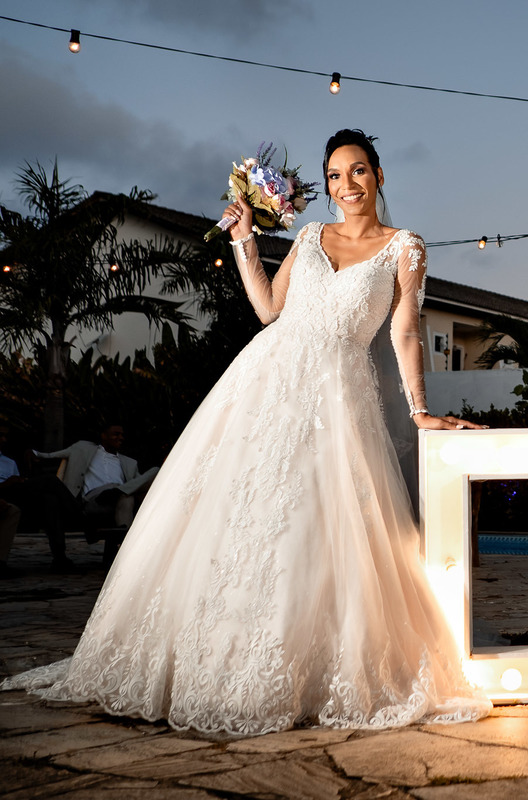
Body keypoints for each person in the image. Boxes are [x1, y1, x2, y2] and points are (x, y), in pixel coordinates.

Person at [1, 129, 491, 734]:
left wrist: (419, 409)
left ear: (380, 176)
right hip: (265, 379)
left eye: (358, 171)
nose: (347, 186)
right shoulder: (310, 236)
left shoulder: (404, 248)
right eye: (335, 176)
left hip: (340, 396)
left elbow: (406, 332)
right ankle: (213, 652)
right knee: (238, 512)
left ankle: (304, 663)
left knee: (320, 522)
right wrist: (243, 243)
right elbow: (268, 311)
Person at [31, 423, 158, 564]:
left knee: (154, 473)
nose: (121, 437)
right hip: (95, 500)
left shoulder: (130, 463)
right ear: (103, 435)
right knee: (126, 494)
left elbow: (139, 484)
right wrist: (33, 454)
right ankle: (125, 545)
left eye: (122, 435)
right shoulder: (83, 448)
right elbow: (50, 455)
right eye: (116, 434)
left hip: (120, 497)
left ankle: (123, 550)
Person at [0, 424, 21, 577]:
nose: (3, 439)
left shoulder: (9, 462)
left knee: (12, 509)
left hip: (11, 494)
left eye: (5, 436)